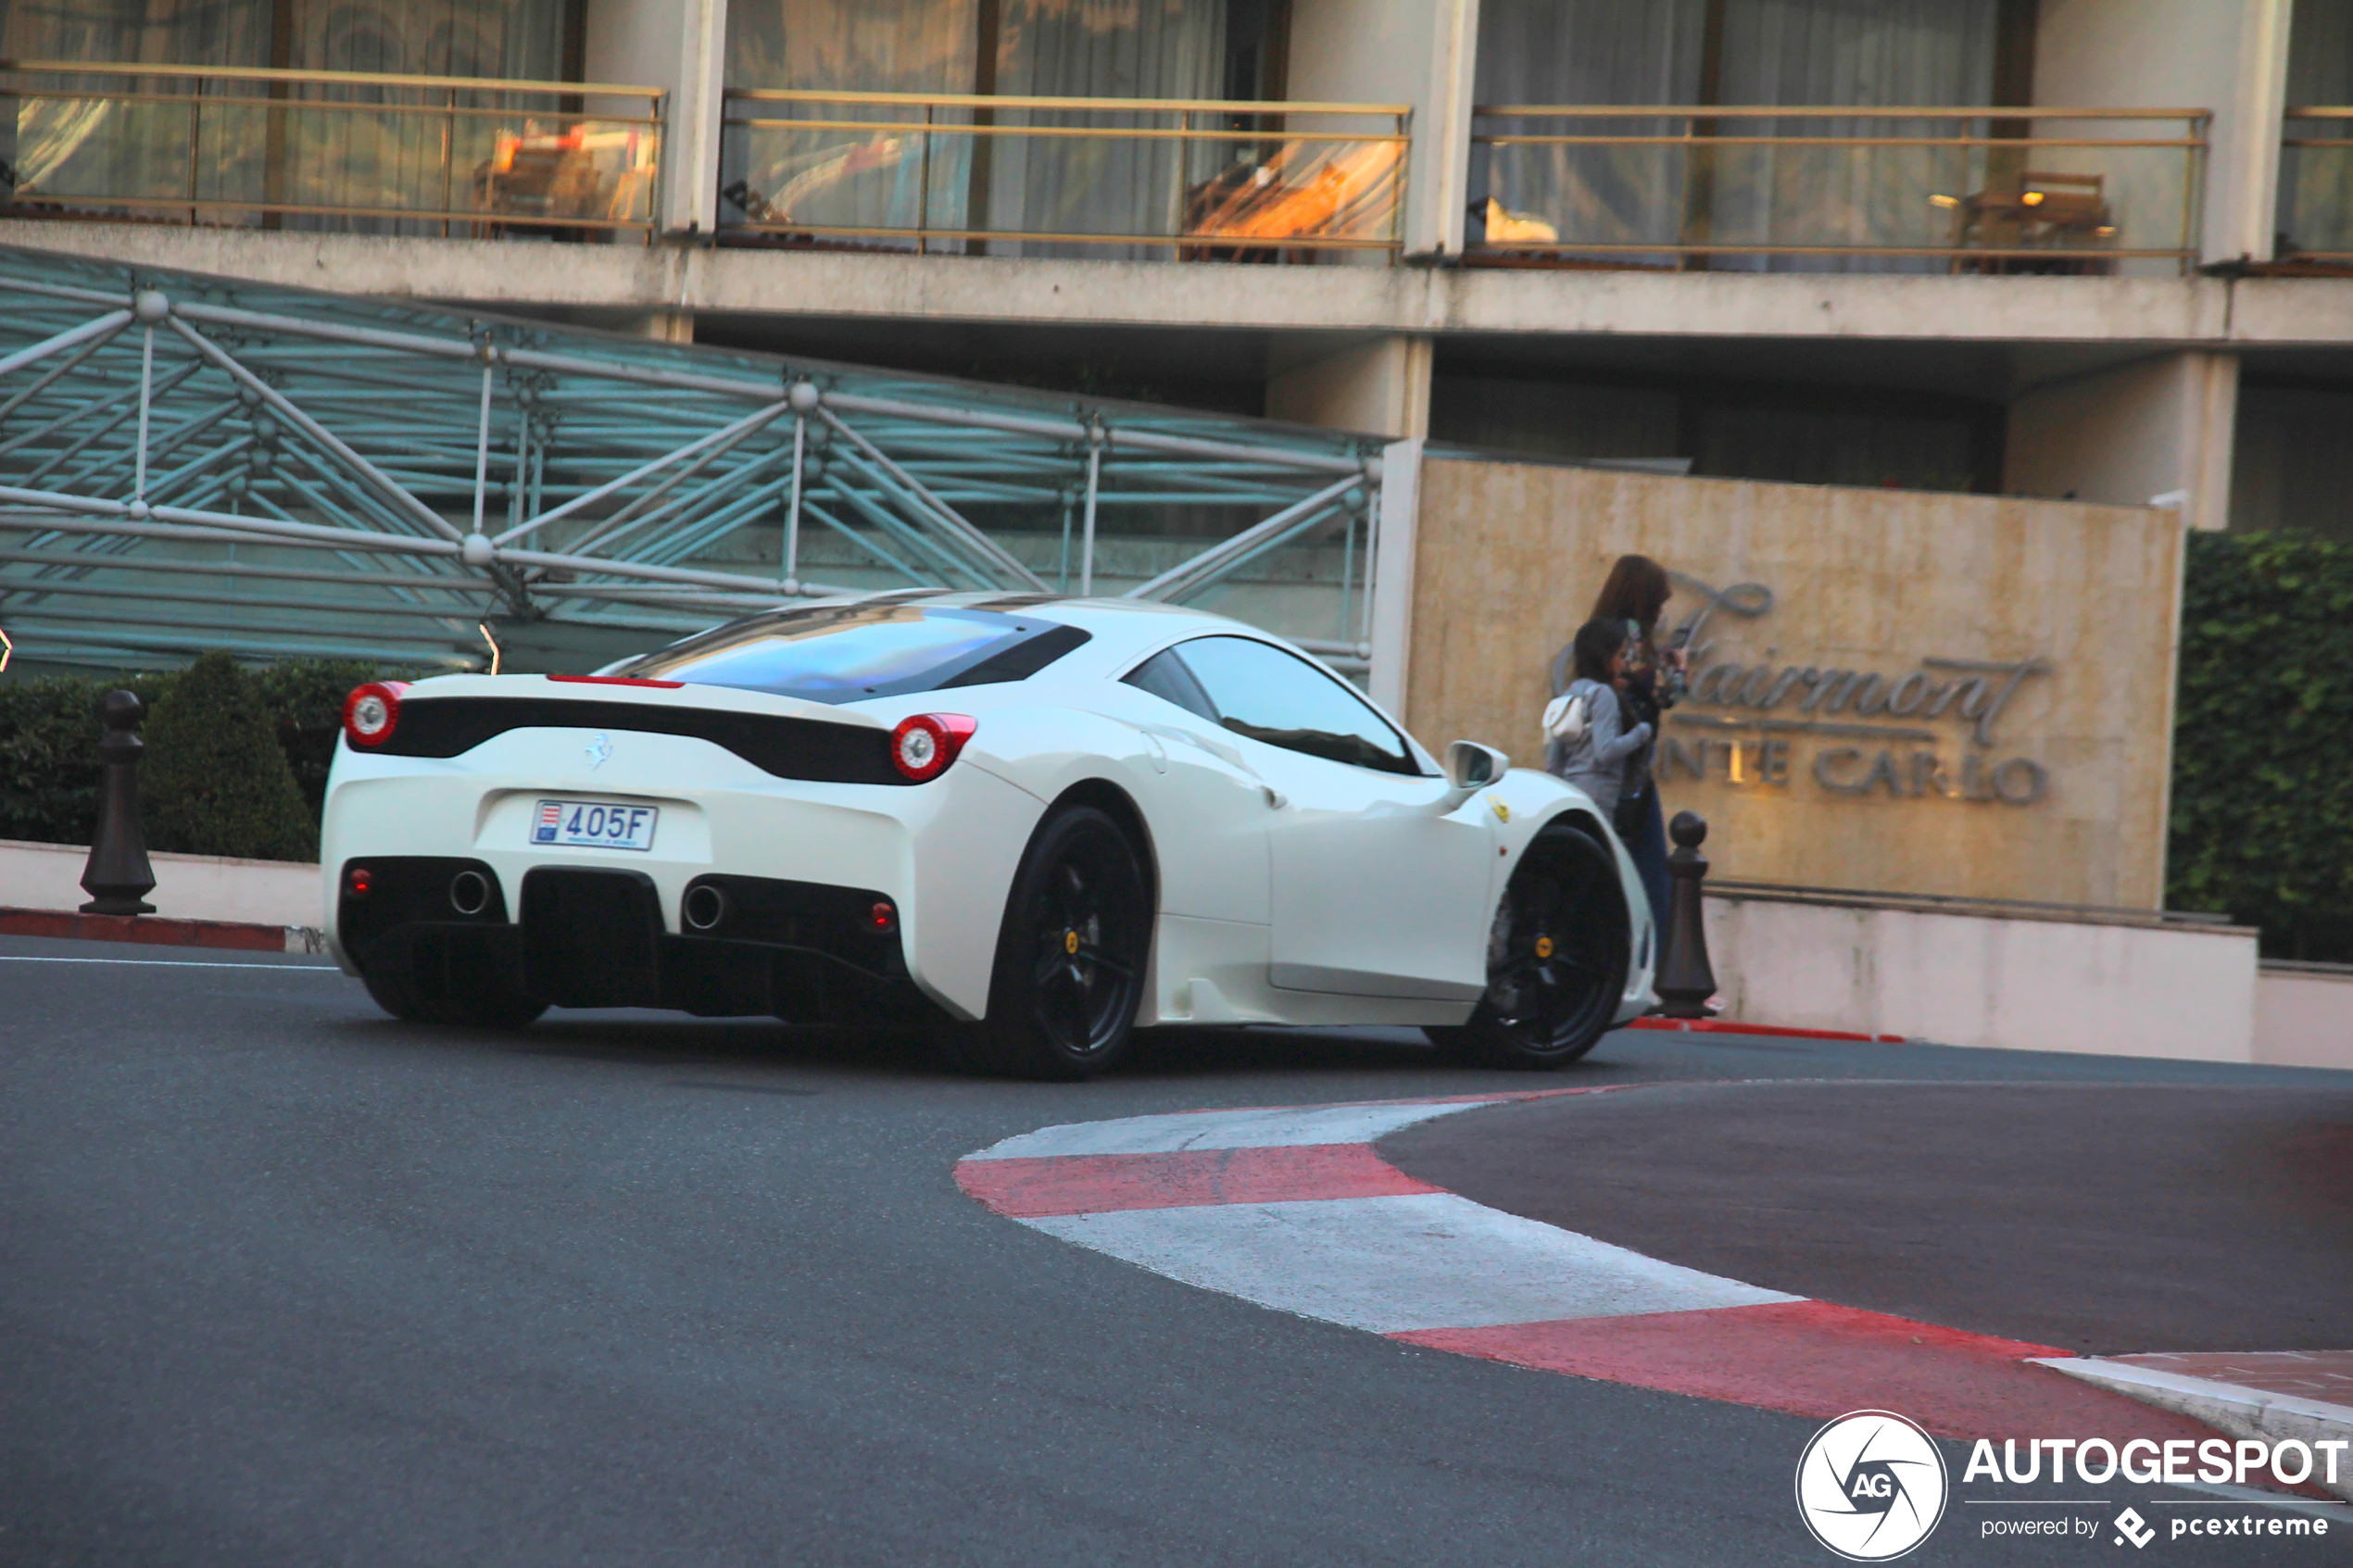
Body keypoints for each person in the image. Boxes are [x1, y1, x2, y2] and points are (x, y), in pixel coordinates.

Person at [1553, 554, 1682, 934]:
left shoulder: (1595, 635)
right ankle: (1660, 969)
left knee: (1597, 871)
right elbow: (1664, 693)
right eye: (1658, 601)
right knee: (1652, 877)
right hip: (1627, 775)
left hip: (1589, 771)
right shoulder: (1630, 636)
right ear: (1644, 598)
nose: (1660, 611)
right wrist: (1681, 667)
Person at [1545, 619, 1652, 818]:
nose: (1625, 662)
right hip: (1599, 795)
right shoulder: (1603, 694)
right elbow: (1605, 752)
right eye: (1620, 655)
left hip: (1568, 795)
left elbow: (1553, 762)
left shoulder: (1570, 693)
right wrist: (1641, 732)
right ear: (1605, 658)